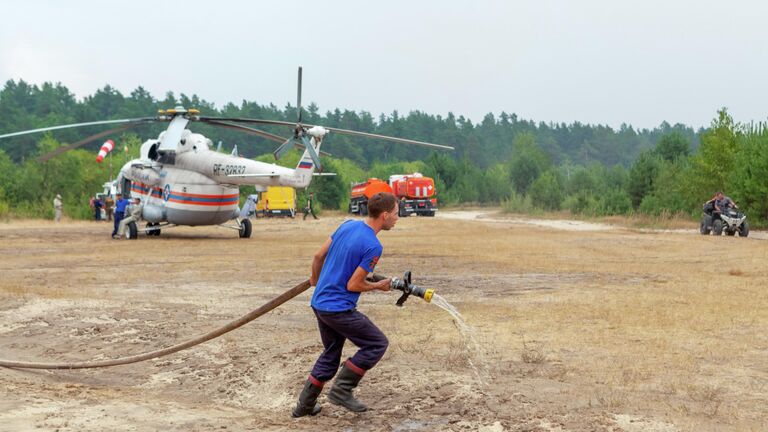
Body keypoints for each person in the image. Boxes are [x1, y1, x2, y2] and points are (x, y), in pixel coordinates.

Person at [292, 192, 399, 417]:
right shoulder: (373, 246)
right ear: (385, 215)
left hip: (320, 304)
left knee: (331, 355)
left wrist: (315, 279)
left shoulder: (347, 225)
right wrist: (378, 287)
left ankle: (304, 406)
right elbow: (353, 284)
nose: (398, 218)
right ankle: (342, 389)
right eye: (396, 214)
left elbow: (318, 256)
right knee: (376, 343)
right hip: (338, 309)